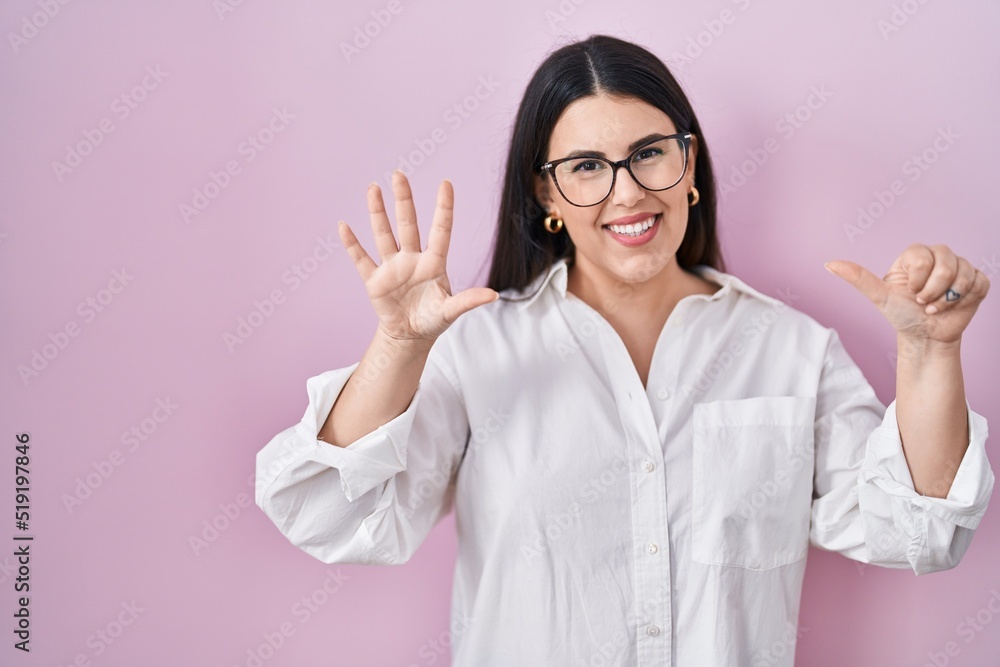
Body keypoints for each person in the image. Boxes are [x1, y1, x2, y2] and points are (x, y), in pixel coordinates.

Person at [254, 34, 993, 666]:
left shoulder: (791, 351)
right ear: (545, 196)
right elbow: (326, 512)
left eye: (648, 154)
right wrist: (398, 344)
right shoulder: (479, 350)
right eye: (586, 167)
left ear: (689, 163)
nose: (628, 192)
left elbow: (918, 531)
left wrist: (930, 354)